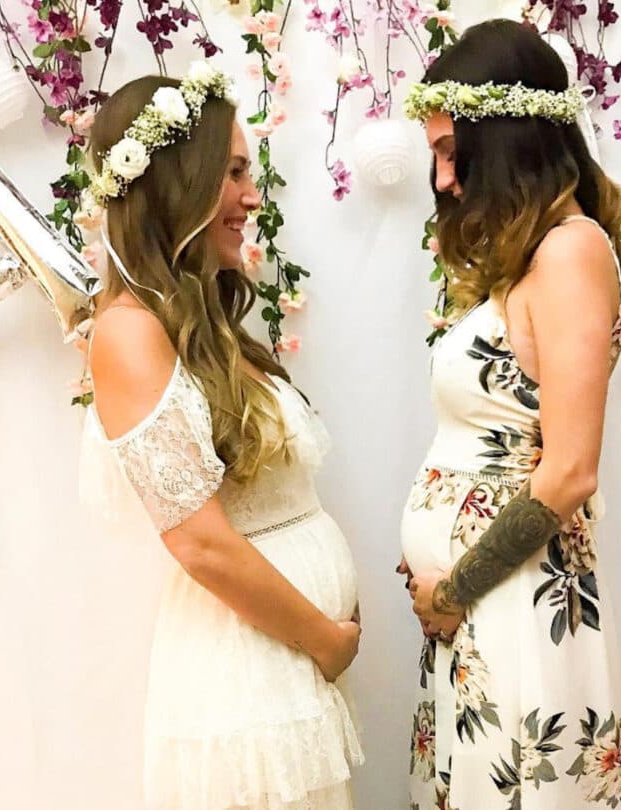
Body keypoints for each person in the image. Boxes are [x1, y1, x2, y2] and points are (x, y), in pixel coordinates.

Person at [77, 65, 364, 809]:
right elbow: (198, 541)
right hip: (243, 673)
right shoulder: (131, 333)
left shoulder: (208, 327)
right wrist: (325, 638)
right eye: (233, 171)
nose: (250, 195)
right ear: (179, 181)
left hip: (278, 667)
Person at [396, 20, 621, 809]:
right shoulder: (535, 256)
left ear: (498, 142)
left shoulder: (571, 253)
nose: (442, 180)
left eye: (447, 151)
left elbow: (569, 471)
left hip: (513, 604)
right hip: (485, 610)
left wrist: (454, 587)